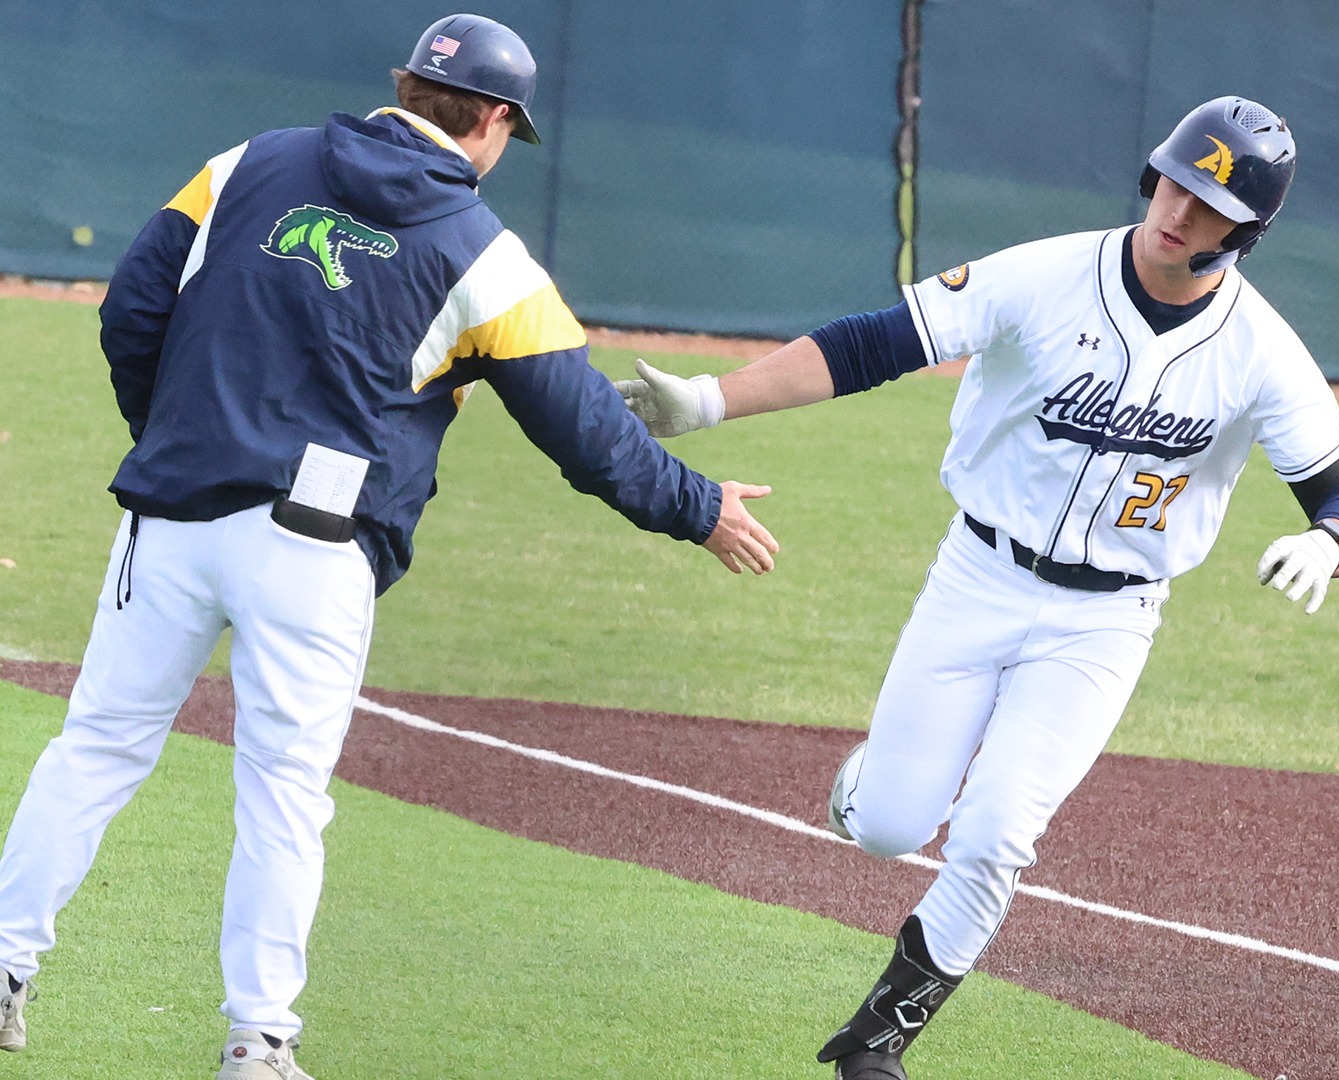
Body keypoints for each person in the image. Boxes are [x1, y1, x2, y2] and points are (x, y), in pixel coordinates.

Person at [0, 13, 778, 1077]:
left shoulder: (246, 163)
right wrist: (698, 506)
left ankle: (5, 966)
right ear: (497, 121)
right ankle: (255, 1043)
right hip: (316, 549)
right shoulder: (488, 258)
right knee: (282, 794)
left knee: (95, 747)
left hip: (173, 515)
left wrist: (180, 438)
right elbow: (585, 431)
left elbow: (132, 308)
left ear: (405, 85)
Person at [616, 96, 1339, 1079]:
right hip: (976, 577)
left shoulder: (1262, 353)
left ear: (1247, 234)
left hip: (1107, 621)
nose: (1178, 211)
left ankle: (877, 1045)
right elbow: (875, 343)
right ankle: (872, 784)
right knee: (897, 825)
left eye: (1208, 204)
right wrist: (713, 400)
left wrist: (1329, 544)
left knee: (996, 832)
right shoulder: (1049, 273)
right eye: (1173, 182)